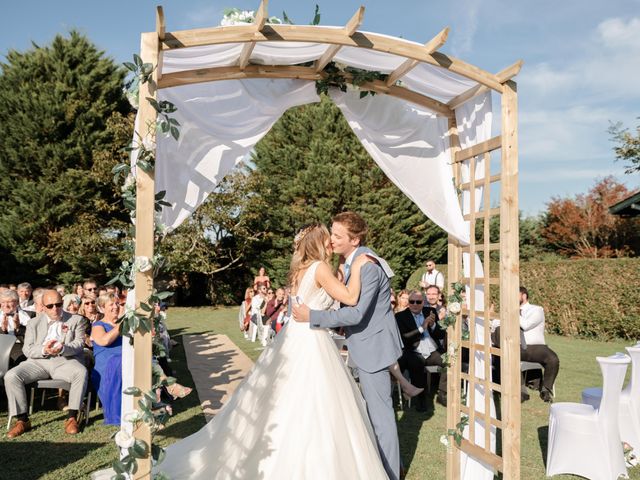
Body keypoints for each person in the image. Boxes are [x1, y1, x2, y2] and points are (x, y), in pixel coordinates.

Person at [157, 223, 390, 479]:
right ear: (317, 242)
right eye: (327, 239)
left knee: (289, 396)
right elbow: (349, 298)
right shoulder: (320, 268)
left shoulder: (301, 269)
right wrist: (357, 268)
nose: (331, 243)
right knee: (316, 398)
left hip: (296, 335)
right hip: (312, 339)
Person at [293, 213, 404, 480]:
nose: (331, 239)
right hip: (363, 344)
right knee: (369, 412)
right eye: (331, 233)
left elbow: (355, 314)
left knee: (381, 418)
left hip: (374, 348)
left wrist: (313, 317)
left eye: (337, 236)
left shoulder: (367, 266)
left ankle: (390, 474)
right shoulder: (351, 262)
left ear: (354, 240)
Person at [5, 290, 88, 438]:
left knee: (80, 372)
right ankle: (22, 420)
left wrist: (63, 348)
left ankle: (72, 417)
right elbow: (27, 349)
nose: (55, 309)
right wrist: (44, 349)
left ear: (62, 303)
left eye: (58, 304)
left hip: (64, 361)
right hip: (38, 361)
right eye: (50, 306)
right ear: (43, 307)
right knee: (11, 375)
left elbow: (79, 344)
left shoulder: (76, 320)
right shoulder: (33, 323)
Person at [395, 290, 448, 410]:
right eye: (411, 301)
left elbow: (440, 334)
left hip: (432, 350)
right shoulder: (400, 316)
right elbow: (405, 338)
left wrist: (433, 325)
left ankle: (442, 395)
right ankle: (421, 399)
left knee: (449, 362)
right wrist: (422, 328)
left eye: (418, 302)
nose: (414, 304)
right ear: (408, 302)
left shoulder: (431, 312)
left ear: (423, 303)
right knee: (416, 364)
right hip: (413, 351)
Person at [519, 286, 559, 402]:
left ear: (524, 296)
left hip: (536, 347)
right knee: (509, 356)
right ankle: (522, 392)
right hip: (517, 346)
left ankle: (545, 389)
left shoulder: (536, 310)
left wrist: (514, 312)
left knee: (553, 359)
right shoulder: (507, 311)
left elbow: (526, 325)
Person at [90, 293, 123, 425]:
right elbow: (104, 341)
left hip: (124, 360)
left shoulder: (124, 323)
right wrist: (120, 326)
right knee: (120, 362)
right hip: (108, 366)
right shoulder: (98, 325)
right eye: (111, 304)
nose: (115, 307)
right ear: (102, 308)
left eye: (117, 303)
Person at [0, 289, 30, 367]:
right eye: (3, 302)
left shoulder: (27, 316)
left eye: (9, 302)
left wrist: (18, 328)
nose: (6, 305)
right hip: (1, 346)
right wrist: (3, 330)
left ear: (17, 302)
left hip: (18, 346)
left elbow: (30, 339)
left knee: (20, 360)